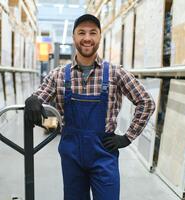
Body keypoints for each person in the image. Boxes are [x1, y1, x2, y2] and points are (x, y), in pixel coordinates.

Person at [24, 14, 155, 200]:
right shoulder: (58, 75)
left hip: (104, 154)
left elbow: (146, 102)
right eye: (81, 32)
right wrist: (33, 101)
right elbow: (37, 103)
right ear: (74, 37)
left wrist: (127, 137)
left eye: (93, 32)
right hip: (71, 155)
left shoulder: (116, 73)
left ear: (100, 37)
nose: (87, 38)